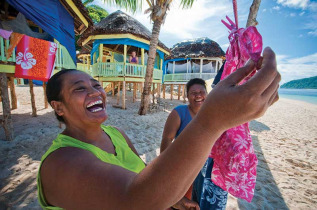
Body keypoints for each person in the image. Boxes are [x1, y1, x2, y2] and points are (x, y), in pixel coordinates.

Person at [37, 47, 280, 210]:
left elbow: (144, 176)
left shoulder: (116, 134)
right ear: (59, 107)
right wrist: (212, 121)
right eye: (79, 89)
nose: (94, 92)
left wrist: (173, 200)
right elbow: (133, 199)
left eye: (96, 85)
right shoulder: (59, 163)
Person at [160, 78, 228, 210]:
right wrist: (164, 168)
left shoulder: (214, 115)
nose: (198, 95)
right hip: (182, 168)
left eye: (201, 92)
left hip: (205, 169)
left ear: (207, 95)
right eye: (193, 93)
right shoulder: (179, 113)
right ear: (187, 96)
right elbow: (167, 139)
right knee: (178, 203)